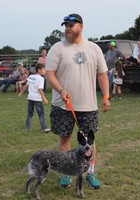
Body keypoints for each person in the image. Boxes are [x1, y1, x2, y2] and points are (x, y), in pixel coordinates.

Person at [46, 13, 110, 189]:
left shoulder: (94, 49)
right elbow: (49, 74)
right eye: (65, 25)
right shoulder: (57, 48)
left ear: (81, 26)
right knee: (64, 139)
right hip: (62, 105)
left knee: (90, 141)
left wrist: (105, 96)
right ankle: (67, 173)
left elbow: (102, 74)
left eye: (71, 25)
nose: (67, 28)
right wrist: (61, 90)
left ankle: (90, 172)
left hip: (88, 105)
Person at [20, 63, 51, 133]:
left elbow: (26, 85)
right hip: (37, 98)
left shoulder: (31, 76)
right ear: (39, 70)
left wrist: (21, 92)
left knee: (30, 113)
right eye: (43, 69)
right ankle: (43, 128)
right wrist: (44, 99)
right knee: (41, 113)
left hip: (30, 97)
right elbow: (40, 89)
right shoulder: (41, 79)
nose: (45, 70)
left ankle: (26, 128)